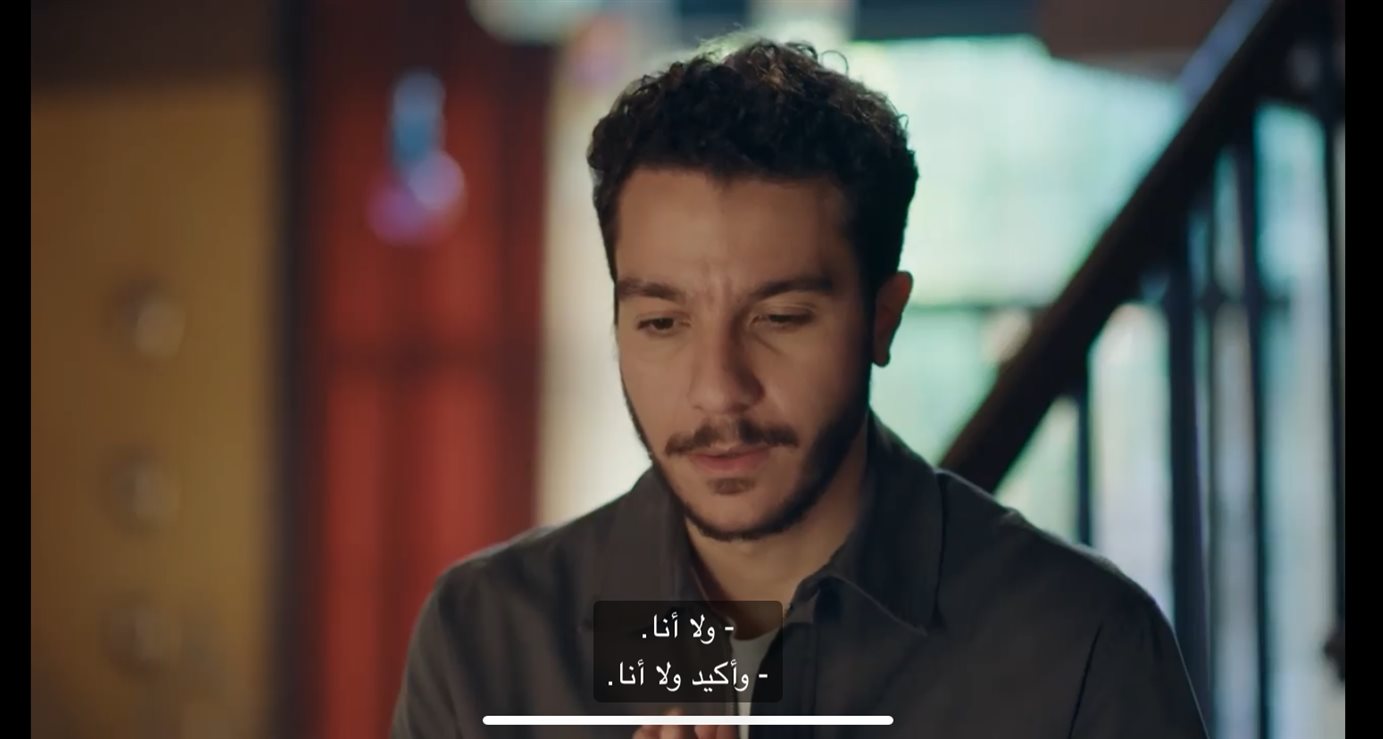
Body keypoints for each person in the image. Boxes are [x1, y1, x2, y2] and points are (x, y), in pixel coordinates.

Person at [390, 37, 1209, 739]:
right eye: (663, 322)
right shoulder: (488, 638)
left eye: (780, 318)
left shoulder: (1079, 644)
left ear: (882, 318)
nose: (718, 390)